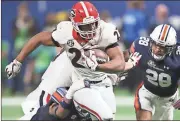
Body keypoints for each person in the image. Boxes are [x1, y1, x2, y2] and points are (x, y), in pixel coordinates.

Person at [5, 1, 141, 120]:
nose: (91, 30)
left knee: (103, 114)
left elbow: (119, 62)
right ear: (74, 24)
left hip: (92, 74)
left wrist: (100, 67)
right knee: (42, 99)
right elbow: (39, 38)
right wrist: (18, 61)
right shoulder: (66, 31)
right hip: (68, 64)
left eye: (93, 24)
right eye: (86, 26)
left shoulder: (106, 31)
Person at [124, 24, 180, 120]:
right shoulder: (141, 46)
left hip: (168, 99)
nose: (158, 49)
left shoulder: (177, 56)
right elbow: (124, 55)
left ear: (171, 47)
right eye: (156, 44)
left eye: (163, 47)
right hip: (147, 93)